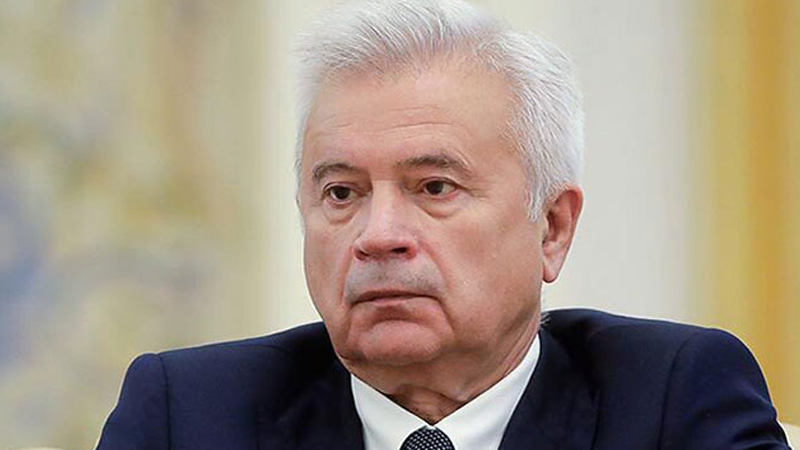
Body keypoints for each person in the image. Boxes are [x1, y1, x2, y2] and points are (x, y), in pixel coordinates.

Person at [95, 1, 790, 449]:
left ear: (551, 228)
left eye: (434, 187)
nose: (378, 235)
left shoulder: (671, 402)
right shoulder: (188, 416)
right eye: (341, 192)